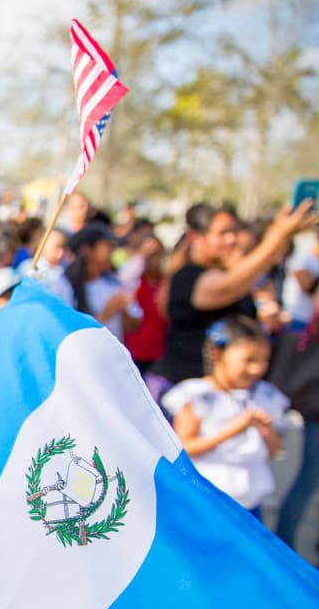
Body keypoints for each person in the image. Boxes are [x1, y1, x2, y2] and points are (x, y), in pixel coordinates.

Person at [152, 202, 317, 391]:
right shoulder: (188, 277)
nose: (231, 239)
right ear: (196, 237)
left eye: (234, 232)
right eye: (222, 233)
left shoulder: (225, 273)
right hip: (184, 391)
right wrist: (278, 236)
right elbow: (228, 287)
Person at [162, 317, 288, 518]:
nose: (257, 369)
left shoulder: (265, 395)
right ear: (217, 353)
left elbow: (274, 450)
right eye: (249, 360)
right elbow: (184, 447)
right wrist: (233, 430)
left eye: (264, 360)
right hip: (208, 500)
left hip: (250, 500)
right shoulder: (197, 395)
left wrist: (267, 430)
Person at [64, 222, 139, 341]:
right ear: (87, 250)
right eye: (107, 246)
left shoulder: (113, 283)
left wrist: (123, 309)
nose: (112, 251)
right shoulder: (66, 285)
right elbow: (69, 330)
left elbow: (135, 324)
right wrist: (105, 314)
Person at [123, 233, 169, 373]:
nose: (154, 260)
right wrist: (141, 256)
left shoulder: (165, 281)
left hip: (159, 351)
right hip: (135, 352)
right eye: (150, 255)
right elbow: (123, 281)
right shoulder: (136, 280)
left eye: (158, 254)